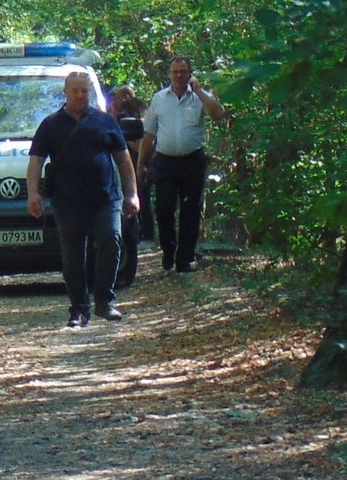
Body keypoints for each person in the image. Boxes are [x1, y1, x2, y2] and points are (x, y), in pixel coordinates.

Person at [26, 71, 139, 329]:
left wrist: (131, 194)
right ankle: (78, 310)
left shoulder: (105, 122)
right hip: (67, 202)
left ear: (90, 92)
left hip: (105, 198)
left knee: (111, 241)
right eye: (75, 90)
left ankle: (104, 301)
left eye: (84, 91)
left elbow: (123, 159)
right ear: (65, 92)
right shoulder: (50, 125)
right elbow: (35, 163)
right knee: (73, 256)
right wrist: (34, 193)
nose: (80, 95)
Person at [136, 56, 226, 276]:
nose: (178, 76)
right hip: (165, 162)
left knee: (191, 210)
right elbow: (149, 134)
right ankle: (169, 250)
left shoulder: (200, 98)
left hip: (192, 161)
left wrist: (200, 91)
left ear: (189, 74)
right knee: (164, 208)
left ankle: (184, 259)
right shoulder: (159, 99)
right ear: (169, 74)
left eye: (183, 72)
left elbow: (218, 114)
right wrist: (141, 164)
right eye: (174, 72)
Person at [110, 86, 151, 287]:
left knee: (141, 200)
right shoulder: (111, 116)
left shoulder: (136, 114)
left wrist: (138, 158)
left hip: (136, 165)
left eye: (117, 97)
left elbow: (144, 141)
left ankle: (146, 234)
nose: (115, 100)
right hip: (127, 166)